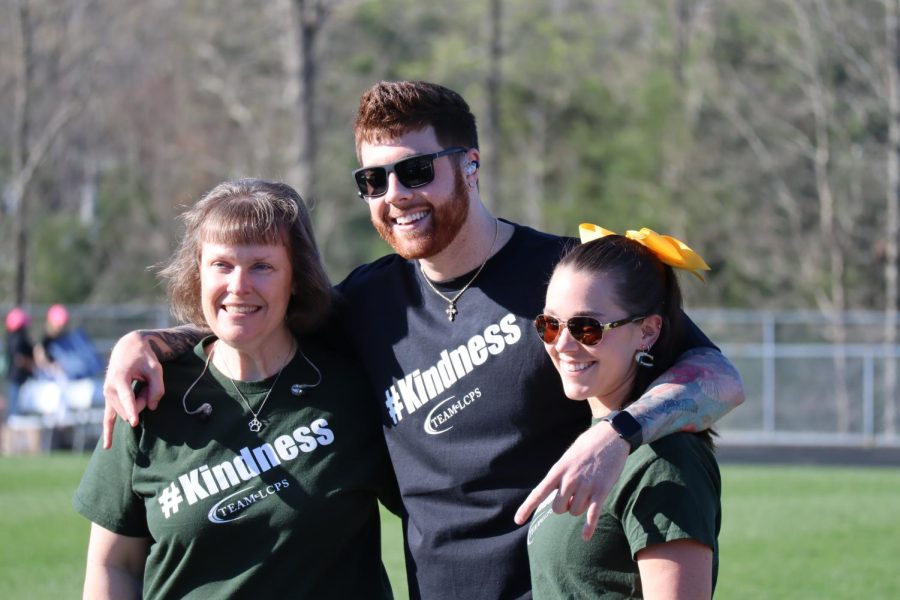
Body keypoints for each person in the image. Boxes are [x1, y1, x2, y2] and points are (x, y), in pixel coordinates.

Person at [101, 81, 744, 599]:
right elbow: (252, 320)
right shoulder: (365, 302)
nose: (394, 196)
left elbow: (719, 379)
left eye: (414, 172)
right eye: (373, 181)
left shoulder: (567, 281)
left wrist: (617, 434)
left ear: (470, 165)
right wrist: (151, 341)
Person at [73, 179, 396, 599]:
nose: (239, 285)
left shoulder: (351, 389)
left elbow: (442, 497)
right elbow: (114, 563)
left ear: (295, 278)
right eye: (222, 265)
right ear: (198, 274)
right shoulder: (149, 393)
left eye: (262, 266)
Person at [525, 224, 720, 599]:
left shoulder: (665, 462)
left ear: (647, 331)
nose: (562, 344)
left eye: (587, 327)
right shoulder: (594, 440)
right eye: (550, 325)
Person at [34, 303, 103, 381]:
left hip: (79, 383)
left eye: (63, 324)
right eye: (58, 325)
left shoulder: (77, 339)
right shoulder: (44, 345)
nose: (60, 328)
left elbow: (95, 365)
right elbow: (42, 373)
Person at [4, 307, 35, 420]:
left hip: (18, 377)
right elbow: (19, 358)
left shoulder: (13, 337)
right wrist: (31, 365)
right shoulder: (18, 338)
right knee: (15, 412)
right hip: (18, 377)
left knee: (17, 409)